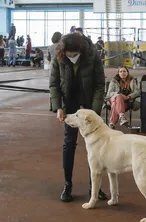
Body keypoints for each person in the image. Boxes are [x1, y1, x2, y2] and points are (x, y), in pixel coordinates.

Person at [49, 32, 107, 202]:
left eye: (75, 54)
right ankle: (67, 185)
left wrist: (94, 112)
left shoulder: (92, 55)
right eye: (69, 54)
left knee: (96, 148)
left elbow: (99, 84)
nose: (72, 57)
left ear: (81, 50)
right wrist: (58, 107)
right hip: (70, 105)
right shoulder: (58, 56)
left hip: (90, 105)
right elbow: (54, 84)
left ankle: (95, 188)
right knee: (69, 143)